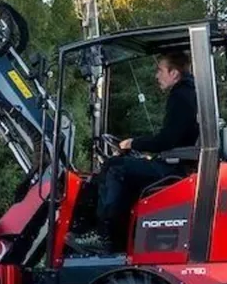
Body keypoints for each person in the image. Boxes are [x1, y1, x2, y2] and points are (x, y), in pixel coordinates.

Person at [71, 51, 200, 251]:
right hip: (179, 164)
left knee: (114, 168)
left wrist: (132, 143)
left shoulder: (181, 96)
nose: (156, 75)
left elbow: (166, 139)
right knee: (127, 167)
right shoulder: (191, 93)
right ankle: (117, 232)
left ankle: (105, 236)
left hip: (175, 169)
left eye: (160, 70)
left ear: (174, 73)